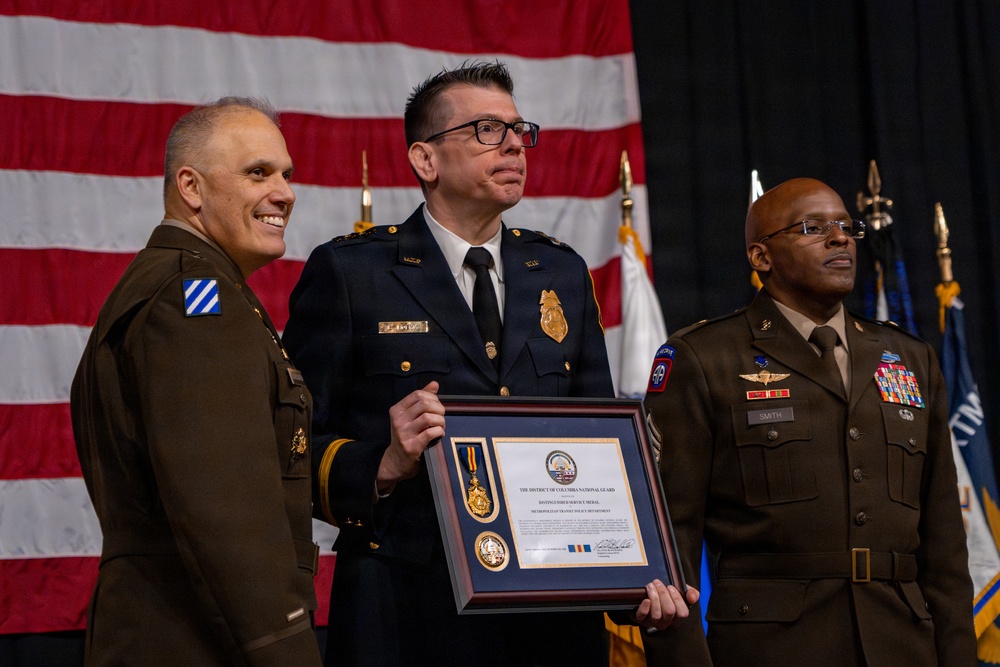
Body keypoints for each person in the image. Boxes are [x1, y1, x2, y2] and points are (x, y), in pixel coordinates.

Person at [282, 61, 695, 666]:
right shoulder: (353, 273)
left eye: (517, 129)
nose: (512, 144)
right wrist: (384, 463)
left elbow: (599, 441)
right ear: (425, 160)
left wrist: (634, 577)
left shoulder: (559, 272)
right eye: (484, 130)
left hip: (551, 608)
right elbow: (291, 445)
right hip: (407, 600)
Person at [641, 177, 976, 666]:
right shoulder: (703, 357)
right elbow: (673, 537)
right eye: (813, 227)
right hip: (771, 647)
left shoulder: (909, 358)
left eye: (846, 226)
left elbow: (945, 548)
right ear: (761, 257)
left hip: (903, 644)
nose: (840, 238)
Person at [70, 98, 322, 666]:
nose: (285, 192)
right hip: (200, 639)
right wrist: (288, 651)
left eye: (286, 174)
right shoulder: (194, 304)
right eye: (258, 173)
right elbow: (227, 516)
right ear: (191, 187)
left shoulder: (171, 286)